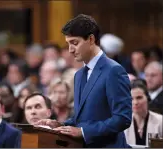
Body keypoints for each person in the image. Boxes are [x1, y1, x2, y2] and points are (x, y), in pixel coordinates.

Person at [35, 14, 132, 148]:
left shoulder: (114, 70)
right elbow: (82, 119)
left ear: (91, 39)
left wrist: (83, 131)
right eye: (68, 44)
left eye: (75, 43)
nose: (70, 50)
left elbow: (122, 119)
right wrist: (61, 125)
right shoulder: (79, 75)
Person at [124, 79, 163, 146]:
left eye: (139, 98)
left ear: (147, 98)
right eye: (131, 99)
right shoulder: (124, 123)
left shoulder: (160, 121)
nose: (135, 102)